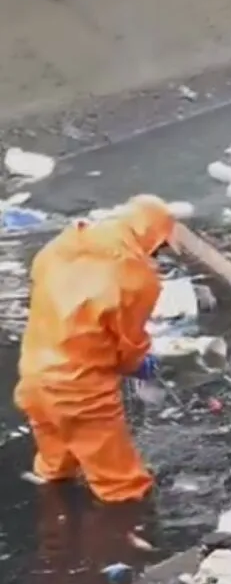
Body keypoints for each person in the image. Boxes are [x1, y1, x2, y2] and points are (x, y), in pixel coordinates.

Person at [14, 194, 173, 503]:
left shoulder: (60, 246)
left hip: (34, 378)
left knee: (55, 470)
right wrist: (139, 361)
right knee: (123, 487)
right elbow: (128, 345)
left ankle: (55, 535)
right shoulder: (136, 276)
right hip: (80, 391)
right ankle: (124, 545)